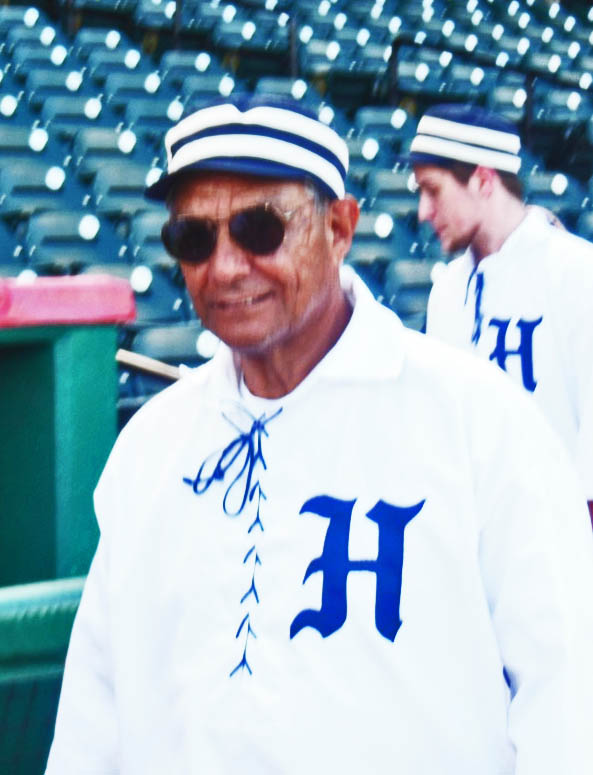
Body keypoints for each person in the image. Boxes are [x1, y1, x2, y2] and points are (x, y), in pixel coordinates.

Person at [46, 96, 593, 775]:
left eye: (259, 229)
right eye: (194, 238)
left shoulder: (481, 423)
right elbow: (95, 714)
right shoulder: (149, 447)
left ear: (338, 228)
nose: (225, 266)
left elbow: (567, 692)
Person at [410, 103, 593, 525]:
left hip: (560, 539)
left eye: (433, 191)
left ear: (483, 180)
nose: (422, 211)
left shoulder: (577, 273)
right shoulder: (446, 291)